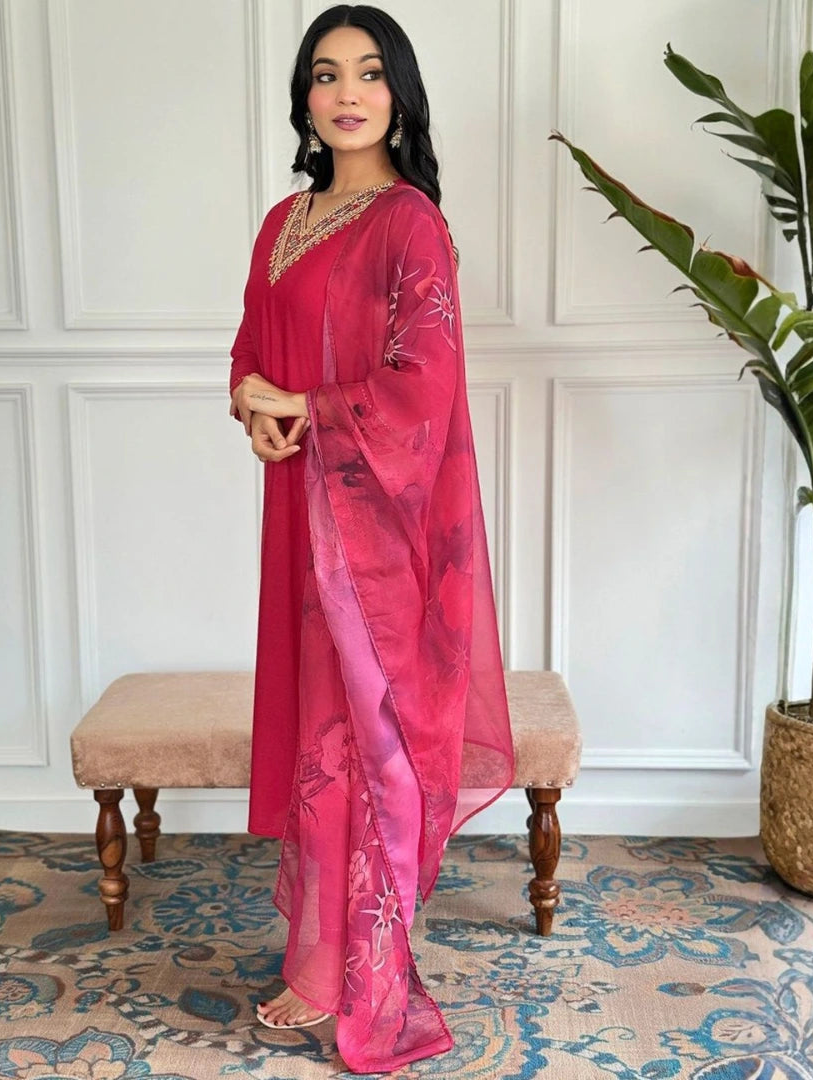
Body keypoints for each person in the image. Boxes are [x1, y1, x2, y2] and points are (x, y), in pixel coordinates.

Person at [227, 5, 514, 1072]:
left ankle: (368, 973)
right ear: (304, 100)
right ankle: (314, 959)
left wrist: (302, 401)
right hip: (297, 515)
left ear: (399, 93)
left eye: (368, 72)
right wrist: (252, 405)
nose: (346, 91)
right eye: (323, 74)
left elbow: (423, 384)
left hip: (379, 533)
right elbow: (250, 349)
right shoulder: (282, 222)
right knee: (316, 734)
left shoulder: (410, 225)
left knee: (366, 741)